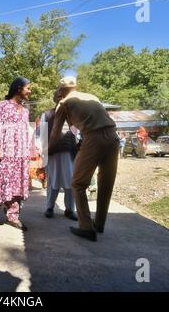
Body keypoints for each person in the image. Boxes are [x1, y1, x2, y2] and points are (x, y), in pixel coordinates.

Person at [49, 76, 119, 242]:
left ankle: (86, 227)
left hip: (93, 139)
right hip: (113, 138)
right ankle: (99, 224)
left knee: (78, 184)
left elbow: (55, 133)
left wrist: (49, 150)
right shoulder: (92, 97)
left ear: (60, 91)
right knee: (105, 183)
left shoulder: (63, 103)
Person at [0, 77, 31, 231]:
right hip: (3, 153)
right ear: (18, 88)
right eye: (28, 88)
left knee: (17, 184)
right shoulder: (3, 105)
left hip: (19, 155)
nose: (29, 91)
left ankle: (13, 216)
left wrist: (30, 150)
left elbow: (25, 132)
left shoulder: (25, 111)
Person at [41, 77, 78, 220]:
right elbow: (43, 135)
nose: (62, 99)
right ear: (56, 98)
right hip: (53, 152)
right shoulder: (47, 114)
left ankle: (69, 210)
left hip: (69, 152)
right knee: (53, 181)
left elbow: (78, 132)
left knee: (71, 181)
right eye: (60, 96)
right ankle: (49, 207)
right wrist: (44, 153)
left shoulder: (74, 113)